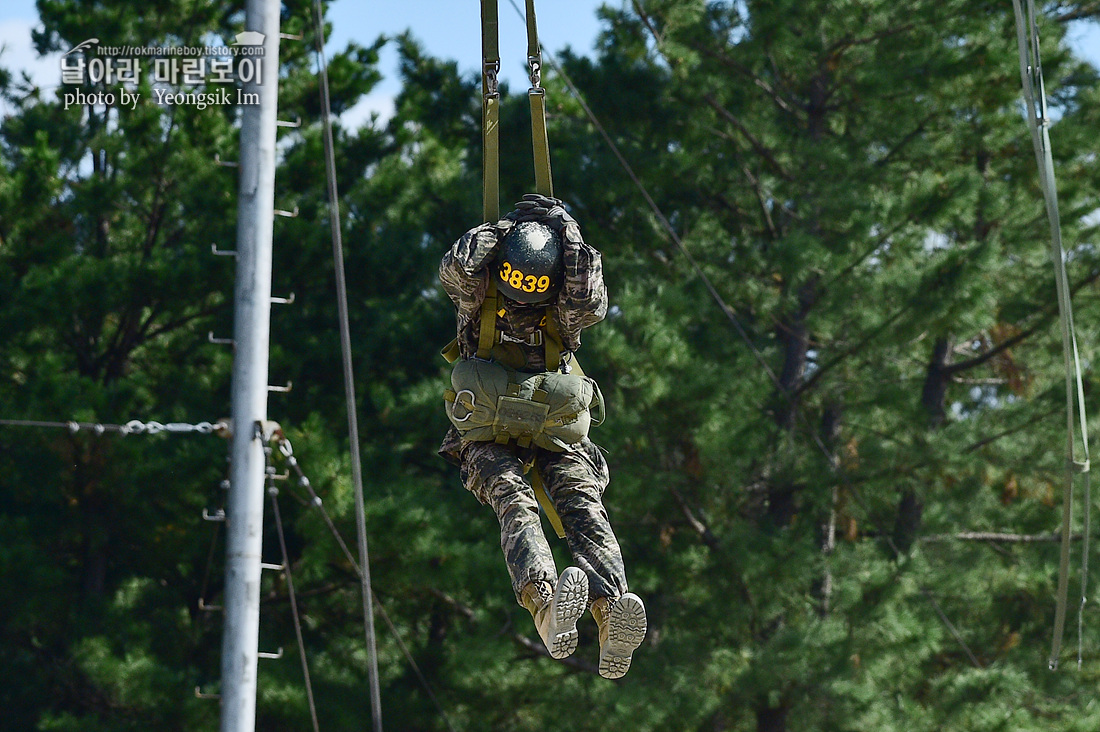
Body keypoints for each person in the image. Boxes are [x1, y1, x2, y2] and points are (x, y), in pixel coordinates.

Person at [438, 194, 646, 679]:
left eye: (534, 291)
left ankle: (609, 610)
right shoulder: (480, 293)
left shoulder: (564, 309)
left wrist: (570, 236)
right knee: (515, 499)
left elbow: (592, 300)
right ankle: (546, 607)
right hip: (486, 437)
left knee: (582, 501)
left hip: (551, 431)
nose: (521, 301)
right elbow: (457, 264)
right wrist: (506, 226)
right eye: (515, 289)